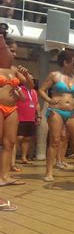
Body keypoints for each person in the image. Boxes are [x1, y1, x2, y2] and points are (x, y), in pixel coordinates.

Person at [38, 50, 74, 182]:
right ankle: (49, 172)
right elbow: (41, 90)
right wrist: (49, 100)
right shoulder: (54, 75)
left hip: (73, 112)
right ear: (65, 62)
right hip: (57, 111)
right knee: (55, 141)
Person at [0, 32, 30, 187]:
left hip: (12, 108)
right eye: (11, 50)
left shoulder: (14, 70)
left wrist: (26, 75)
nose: (14, 53)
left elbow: (30, 86)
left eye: (15, 51)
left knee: (10, 143)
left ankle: (4, 176)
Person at [14, 83, 40, 166]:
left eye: (32, 80)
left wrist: (38, 116)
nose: (31, 82)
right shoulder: (19, 89)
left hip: (31, 118)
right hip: (20, 117)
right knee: (18, 138)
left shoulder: (34, 92)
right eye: (30, 80)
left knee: (27, 138)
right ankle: (12, 158)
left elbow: (36, 104)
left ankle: (24, 158)